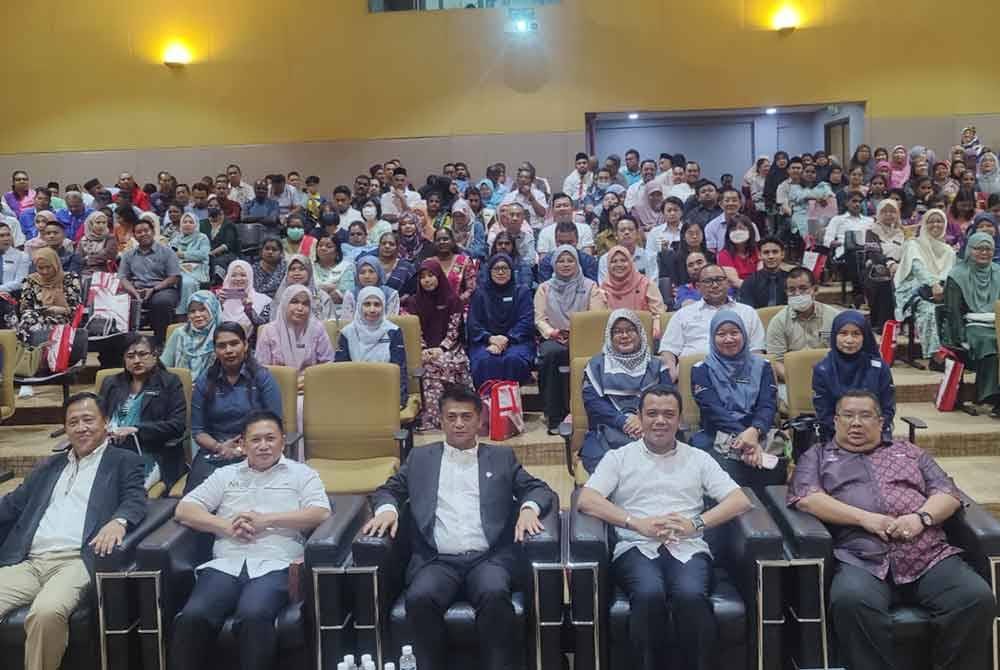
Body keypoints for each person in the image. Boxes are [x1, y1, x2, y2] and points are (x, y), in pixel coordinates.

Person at [787, 389, 996, 670]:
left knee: (975, 598)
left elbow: (948, 493)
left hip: (928, 553)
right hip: (861, 556)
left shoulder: (908, 452)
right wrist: (864, 519)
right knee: (851, 602)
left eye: (865, 416)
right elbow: (807, 498)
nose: (856, 423)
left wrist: (920, 518)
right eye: (847, 416)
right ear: (835, 421)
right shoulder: (818, 456)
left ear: (881, 421)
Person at [362, 386, 555, 670]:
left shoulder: (500, 458)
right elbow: (387, 491)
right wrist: (387, 510)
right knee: (420, 597)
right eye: (451, 417)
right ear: (440, 420)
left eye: (466, 417)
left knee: (494, 593)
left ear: (480, 420)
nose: (459, 424)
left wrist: (528, 509)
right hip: (437, 560)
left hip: (488, 559)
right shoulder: (420, 458)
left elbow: (540, 490)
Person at [577, 386, 753, 670]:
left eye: (668, 414)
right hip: (636, 545)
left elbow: (739, 500)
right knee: (648, 594)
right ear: (640, 417)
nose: (660, 420)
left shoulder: (698, 458)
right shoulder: (618, 458)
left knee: (691, 595)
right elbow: (587, 499)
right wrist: (636, 523)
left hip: (688, 546)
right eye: (652, 414)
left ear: (679, 419)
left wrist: (695, 523)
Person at [169, 410, 331, 670]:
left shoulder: (302, 474)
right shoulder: (226, 475)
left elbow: (321, 512)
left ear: (282, 441)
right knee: (193, 616)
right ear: (242, 445)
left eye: (270, 438)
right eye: (255, 440)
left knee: (254, 614)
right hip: (226, 564)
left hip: (276, 563)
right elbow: (184, 509)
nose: (264, 446)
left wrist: (268, 520)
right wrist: (225, 525)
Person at [0, 392, 146, 670]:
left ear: (105, 423)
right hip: (29, 561)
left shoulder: (123, 461)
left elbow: (135, 499)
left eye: (89, 420)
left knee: (46, 612)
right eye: (73, 422)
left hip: (74, 561)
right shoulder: (49, 467)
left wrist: (119, 521)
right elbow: (12, 504)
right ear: (65, 429)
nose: (81, 428)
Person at [691, 311, 783, 492]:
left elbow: (768, 404)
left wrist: (754, 432)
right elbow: (713, 409)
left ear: (744, 334)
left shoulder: (762, 366)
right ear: (712, 337)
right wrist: (746, 437)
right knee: (727, 478)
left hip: (759, 432)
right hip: (717, 434)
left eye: (734, 332)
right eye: (721, 334)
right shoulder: (701, 370)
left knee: (773, 475)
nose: (729, 339)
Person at [188, 323, 283, 492]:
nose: (229, 350)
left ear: (245, 345)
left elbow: (275, 424)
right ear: (215, 350)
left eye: (234, 343)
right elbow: (198, 431)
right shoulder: (205, 381)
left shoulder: (262, 378)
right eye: (222, 346)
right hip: (215, 450)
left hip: (256, 448)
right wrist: (220, 447)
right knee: (195, 500)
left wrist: (243, 448)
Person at [580, 309, 672, 472]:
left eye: (630, 330)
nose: (624, 335)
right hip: (607, 429)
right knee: (605, 473)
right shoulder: (596, 365)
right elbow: (593, 403)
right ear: (610, 336)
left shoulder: (657, 365)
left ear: (640, 333)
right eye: (617, 332)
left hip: (652, 428)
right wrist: (623, 421)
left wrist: (642, 420)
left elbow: (668, 399)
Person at [99, 333, 188, 490]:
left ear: (155, 355)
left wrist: (137, 429)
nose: (137, 360)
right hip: (110, 450)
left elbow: (177, 425)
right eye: (130, 356)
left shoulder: (169, 382)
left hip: (151, 452)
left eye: (142, 354)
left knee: (122, 490)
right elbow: (99, 417)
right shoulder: (111, 383)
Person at [535, 246, 607, 432]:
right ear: (554, 264)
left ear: (577, 263)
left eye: (570, 260)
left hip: (584, 337)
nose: (566, 264)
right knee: (550, 355)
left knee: (594, 356)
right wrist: (553, 333)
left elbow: (596, 316)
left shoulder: (590, 286)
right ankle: (554, 416)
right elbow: (540, 319)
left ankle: (589, 413)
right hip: (554, 337)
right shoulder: (544, 288)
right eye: (561, 260)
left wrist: (578, 334)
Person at [658, 263, 765, 382]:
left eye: (719, 280)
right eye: (708, 281)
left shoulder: (747, 312)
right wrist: (672, 374)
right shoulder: (683, 314)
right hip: (692, 376)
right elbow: (668, 349)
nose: (714, 285)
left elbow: (756, 350)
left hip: (738, 375)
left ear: (728, 283)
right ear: (698, 286)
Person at [406, 259, 473, 429]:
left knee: (447, 363)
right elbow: (416, 330)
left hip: (450, 347)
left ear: (439, 276)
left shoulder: (453, 300)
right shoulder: (414, 302)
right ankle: (436, 418)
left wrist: (442, 348)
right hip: (425, 350)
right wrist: (424, 349)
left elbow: (454, 329)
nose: (427, 280)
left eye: (431, 275)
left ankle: (459, 415)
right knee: (428, 365)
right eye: (423, 277)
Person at [941, 231, 1000, 415]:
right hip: (970, 327)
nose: (984, 253)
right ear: (969, 250)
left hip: (997, 322)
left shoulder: (998, 272)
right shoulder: (957, 275)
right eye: (979, 248)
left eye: (988, 249)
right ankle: (992, 397)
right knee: (989, 343)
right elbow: (953, 312)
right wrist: (959, 339)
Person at [813, 310, 895, 441]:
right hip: (835, 435)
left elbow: (887, 409)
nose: (849, 340)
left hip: (874, 434)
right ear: (834, 335)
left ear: (865, 337)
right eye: (843, 333)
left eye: (856, 334)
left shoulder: (879, 368)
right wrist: (849, 434)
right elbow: (824, 413)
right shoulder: (823, 369)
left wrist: (870, 431)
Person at [893, 209, 956, 365]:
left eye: (939, 221)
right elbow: (917, 268)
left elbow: (950, 274)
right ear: (924, 224)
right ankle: (936, 356)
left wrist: (941, 287)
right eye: (931, 221)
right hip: (914, 291)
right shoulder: (913, 244)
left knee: (955, 308)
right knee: (930, 310)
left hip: (941, 291)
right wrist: (933, 284)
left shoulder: (949, 251)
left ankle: (956, 353)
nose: (935, 224)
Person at [468, 253, 537, 389]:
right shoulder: (480, 293)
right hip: (485, 342)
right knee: (485, 361)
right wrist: (490, 338)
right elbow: (473, 324)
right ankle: (486, 405)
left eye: (505, 268)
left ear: (511, 271)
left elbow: (526, 321)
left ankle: (510, 405)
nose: (500, 272)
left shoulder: (521, 292)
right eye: (496, 269)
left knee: (513, 360)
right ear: (489, 271)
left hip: (517, 341)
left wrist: (506, 339)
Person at [334, 286, 408, 408]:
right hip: (354, 393)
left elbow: (400, 369)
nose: (372, 309)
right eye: (367, 304)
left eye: (377, 304)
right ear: (359, 306)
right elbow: (340, 370)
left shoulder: (393, 331)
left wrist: (400, 401)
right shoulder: (347, 333)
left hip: (386, 391)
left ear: (383, 306)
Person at [765, 267, 841, 382]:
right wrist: (798, 384)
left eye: (803, 288)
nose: (797, 294)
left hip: (830, 378)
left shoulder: (834, 317)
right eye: (791, 290)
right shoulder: (778, 321)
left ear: (815, 290)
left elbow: (842, 354)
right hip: (792, 380)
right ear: (786, 292)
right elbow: (776, 361)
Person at [118, 217, 181, 346]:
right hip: (136, 289)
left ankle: (160, 342)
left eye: (146, 230)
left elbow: (174, 277)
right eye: (139, 232)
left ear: (153, 232)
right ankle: (124, 344)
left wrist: (153, 289)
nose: (143, 234)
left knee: (161, 302)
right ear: (134, 235)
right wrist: (134, 292)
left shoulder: (167, 252)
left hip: (162, 288)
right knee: (118, 301)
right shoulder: (128, 255)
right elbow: (123, 277)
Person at [15, 247, 82, 347]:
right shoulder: (30, 280)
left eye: (48, 267)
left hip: (62, 316)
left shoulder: (70, 278)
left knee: (43, 324)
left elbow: (75, 308)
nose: (45, 271)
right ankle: (27, 355)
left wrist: (58, 309)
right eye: (40, 268)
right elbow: (25, 307)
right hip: (35, 317)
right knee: (28, 321)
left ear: (55, 264)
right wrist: (41, 311)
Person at [600, 245, 666, 337]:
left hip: (645, 336)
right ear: (608, 265)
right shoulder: (603, 289)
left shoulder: (646, 285)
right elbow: (601, 322)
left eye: (623, 260)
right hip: (614, 339)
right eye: (614, 261)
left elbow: (659, 315)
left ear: (631, 263)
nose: (619, 264)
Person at [863, 199, 906, 330]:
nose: (888, 214)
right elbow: (873, 253)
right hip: (878, 267)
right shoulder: (871, 231)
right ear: (878, 214)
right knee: (885, 281)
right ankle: (884, 324)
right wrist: (890, 263)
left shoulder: (903, 231)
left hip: (901, 266)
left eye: (892, 211)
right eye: (884, 211)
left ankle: (906, 324)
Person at [161, 290, 222, 381]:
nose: (197, 315)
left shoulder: (222, 334)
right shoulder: (180, 333)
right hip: (180, 388)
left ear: (212, 309)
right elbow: (164, 366)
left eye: (202, 309)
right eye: (192, 311)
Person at [271, 254, 335, 322]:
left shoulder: (323, 297)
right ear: (287, 274)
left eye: (302, 269)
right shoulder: (281, 296)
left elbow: (330, 324)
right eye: (292, 269)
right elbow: (274, 322)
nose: (297, 273)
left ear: (309, 272)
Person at [339, 254, 401, 323]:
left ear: (378, 272)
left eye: (371, 271)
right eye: (362, 272)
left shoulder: (391, 294)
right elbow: (346, 322)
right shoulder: (351, 294)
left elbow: (391, 323)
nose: (367, 276)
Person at [597, 217, 659, 284]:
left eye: (631, 229)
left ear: (637, 233)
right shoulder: (605, 259)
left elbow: (653, 286)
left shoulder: (650, 257)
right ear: (615, 235)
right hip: (615, 294)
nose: (627, 232)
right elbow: (604, 288)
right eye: (622, 230)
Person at [169, 212, 211, 313]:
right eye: (185, 222)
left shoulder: (202, 238)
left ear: (196, 225)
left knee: (187, 282)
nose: (187, 224)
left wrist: (183, 255)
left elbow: (203, 254)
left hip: (197, 268)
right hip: (179, 268)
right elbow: (170, 253)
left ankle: (186, 312)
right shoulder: (177, 238)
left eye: (191, 222)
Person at [427, 226, 477, 306]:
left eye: (445, 239)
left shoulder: (464, 261)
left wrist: (457, 301)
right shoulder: (429, 263)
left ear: (453, 241)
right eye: (438, 240)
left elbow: (471, 289)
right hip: (433, 308)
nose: (442, 242)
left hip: (458, 308)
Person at [220, 260, 271, 339]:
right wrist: (218, 305)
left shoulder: (263, 300)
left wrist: (249, 309)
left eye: (243, 275)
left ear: (250, 277)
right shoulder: (221, 299)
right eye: (233, 275)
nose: (238, 279)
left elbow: (263, 326)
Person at [738, 236, 787, 307]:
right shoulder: (750, 281)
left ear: (782, 254)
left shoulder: (790, 279)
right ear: (760, 255)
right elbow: (747, 310)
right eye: (766, 252)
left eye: (775, 252)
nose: (771, 256)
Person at [313, 233, 355, 317]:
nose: (323, 248)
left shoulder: (346, 267)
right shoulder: (309, 266)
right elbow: (306, 294)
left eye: (328, 246)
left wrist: (317, 290)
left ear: (337, 251)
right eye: (320, 245)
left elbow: (341, 298)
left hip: (338, 314)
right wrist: (329, 288)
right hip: (313, 312)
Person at [372, 231, 417, 296]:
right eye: (384, 243)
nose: (387, 246)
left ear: (397, 247)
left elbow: (413, 291)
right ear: (379, 246)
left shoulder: (406, 267)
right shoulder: (371, 264)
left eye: (391, 244)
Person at [77, 211, 118, 280]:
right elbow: (78, 258)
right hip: (84, 271)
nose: (101, 225)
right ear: (90, 224)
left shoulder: (110, 238)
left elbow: (107, 255)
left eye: (104, 222)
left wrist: (88, 258)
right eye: (98, 222)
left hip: (103, 272)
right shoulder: (84, 239)